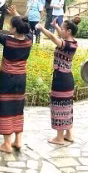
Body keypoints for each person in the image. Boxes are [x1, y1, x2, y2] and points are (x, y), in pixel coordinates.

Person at [0, 7, 32, 153]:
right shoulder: (29, 39)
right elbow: (26, 28)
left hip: (7, 79)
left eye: (11, 26)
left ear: (15, 29)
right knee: (18, 107)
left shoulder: (8, 41)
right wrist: (17, 14)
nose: (9, 28)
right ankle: (18, 140)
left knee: (6, 108)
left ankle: (7, 144)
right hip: (21, 78)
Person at [37, 17, 79, 146]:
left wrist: (41, 27)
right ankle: (69, 134)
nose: (60, 30)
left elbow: (52, 38)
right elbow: (61, 35)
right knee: (67, 107)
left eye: (62, 28)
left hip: (61, 79)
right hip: (67, 79)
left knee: (58, 107)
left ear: (69, 31)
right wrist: (55, 26)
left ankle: (59, 138)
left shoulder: (66, 44)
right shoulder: (74, 43)